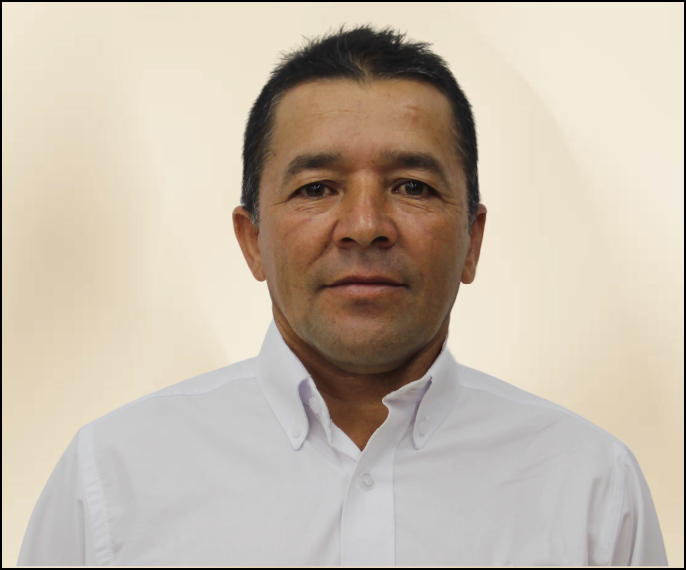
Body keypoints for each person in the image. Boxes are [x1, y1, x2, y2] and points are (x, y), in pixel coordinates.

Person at [17, 24, 668, 567]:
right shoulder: (112, 479)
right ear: (252, 240)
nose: (365, 225)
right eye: (317, 188)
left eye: (412, 186)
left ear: (472, 240)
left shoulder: (591, 487)